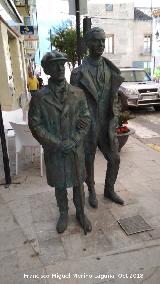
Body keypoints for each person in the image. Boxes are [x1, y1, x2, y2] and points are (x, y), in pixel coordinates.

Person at [28, 50, 92, 234]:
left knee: (79, 183)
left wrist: (75, 139)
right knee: (60, 184)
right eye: (54, 65)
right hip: (55, 151)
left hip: (74, 148)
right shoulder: (39, 97)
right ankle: (63, 213)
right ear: (47, 69)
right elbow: (35, 124)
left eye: (62, 64)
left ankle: (81, 213)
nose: (60, 68)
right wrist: (56, 143)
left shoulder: (78, 93)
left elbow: (86, 118)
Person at [70, 27, 124, 209]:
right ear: (87, 43)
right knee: (88, 160)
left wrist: (115, 115)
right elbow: (73, 103)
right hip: (89, 125)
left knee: (115, 158)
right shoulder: (78, 73)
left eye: (103, 41)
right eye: (96, 41)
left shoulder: (111, 69)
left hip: (106, 124)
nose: (100, 44)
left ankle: (109, 189)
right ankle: (91, 190)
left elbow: (114, 97)